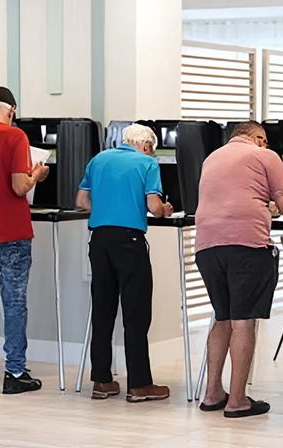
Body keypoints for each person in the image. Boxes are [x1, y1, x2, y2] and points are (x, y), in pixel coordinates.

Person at [195, 121, 283, 418]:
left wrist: (265, 206)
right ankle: (238, 400)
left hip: (206, 246)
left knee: (223, 317)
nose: (266, 146)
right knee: (244, 321)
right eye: (265, 141)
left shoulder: (211, 158)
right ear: (257, 138)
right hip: (246, 246)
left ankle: (213, 393)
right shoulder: (265, 156)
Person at [75, 123, 174, 402]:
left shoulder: (99, 159)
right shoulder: (146, 163)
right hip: (129, 244)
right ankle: (140, 385)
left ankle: (102, 382)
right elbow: (155, 207)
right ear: (147, 146)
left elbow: (82, 200)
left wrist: (108, 208)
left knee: (103, 312)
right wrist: (165, 209)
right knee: (136, 315)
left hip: (99, 241)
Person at [0, 87, 49, 394]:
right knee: (14, 304)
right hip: (11, 236)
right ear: (11, 110)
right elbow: (20, 187)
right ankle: (15, 373)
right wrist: (37, 174)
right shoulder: (16, 137)